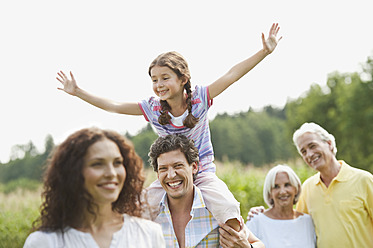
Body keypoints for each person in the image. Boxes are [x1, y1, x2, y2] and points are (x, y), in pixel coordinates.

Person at [56, 23, 282, 231]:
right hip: (171, 173)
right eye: (154, 80)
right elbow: (115, 106)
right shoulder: (153, 109)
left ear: (183, 78)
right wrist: (78, 92)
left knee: (227, 206)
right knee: (140, 208)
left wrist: (264, 51)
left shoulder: (200, 99)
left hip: (202, 173)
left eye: (165, 78)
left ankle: (239, 241)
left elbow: (232, 75)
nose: (159, 85)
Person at [23, 127, 165, 248]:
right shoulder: (44, 242)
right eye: (97, 164)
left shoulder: (149, 234)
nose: (111, 173)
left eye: (117, 163)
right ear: (73, 172)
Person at [148, 134, 264, 248]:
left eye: (178, 166)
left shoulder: (217, 209)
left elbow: (259, 244)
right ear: (158, 174)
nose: (171, 175)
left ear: (194, 167)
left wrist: (247, 247)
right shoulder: (150, 216)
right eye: (163, 168)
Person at [293, 122, 373, 248]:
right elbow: (294, 226)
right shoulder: (307, 188)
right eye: (303, 151)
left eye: (312, 146)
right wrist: (261, 213)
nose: (309, 154)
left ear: (329, 144)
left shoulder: (364, 180)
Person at [245, 164, 316, 248]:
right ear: (269, 193)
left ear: (296, 189)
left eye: (287, 185)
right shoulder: (256, 221)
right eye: (276, 187)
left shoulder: (308, 222)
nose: (282, 191)